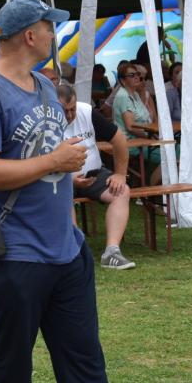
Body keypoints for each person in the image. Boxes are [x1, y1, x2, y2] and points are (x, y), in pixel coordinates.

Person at [0, 0, 180, 383]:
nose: (55, 34)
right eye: (49, 27)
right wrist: (53, 163)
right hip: (15, 253)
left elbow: (46, 158)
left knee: (84, 355)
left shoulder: (43, 87)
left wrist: (64, 170)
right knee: (14, 358)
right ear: (29, 35)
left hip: (66, 249)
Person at [57, 81, 134, 271]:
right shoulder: (45, 120)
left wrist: (120, 174)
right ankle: (76, 252)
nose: (70, 115)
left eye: (72, 109)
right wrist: (70, 179)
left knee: (121, 191)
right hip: (60, 178)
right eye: (64, 110)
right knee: (63, 196)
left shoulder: (86, 111)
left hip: (93, 174)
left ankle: (112, 252)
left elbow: (119, 139)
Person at [111, 62, 161, 184]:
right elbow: (131, 127)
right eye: (132, 75)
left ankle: (158, 185)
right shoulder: (123, 96)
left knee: (176, 149)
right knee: (169, 155)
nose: (137, 77)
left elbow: (148, 118)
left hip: (142, 139)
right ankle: (152, 188)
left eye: (137, 74)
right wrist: (150, 136)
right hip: (130, 143)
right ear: (123, 81)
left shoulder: (134, 94)